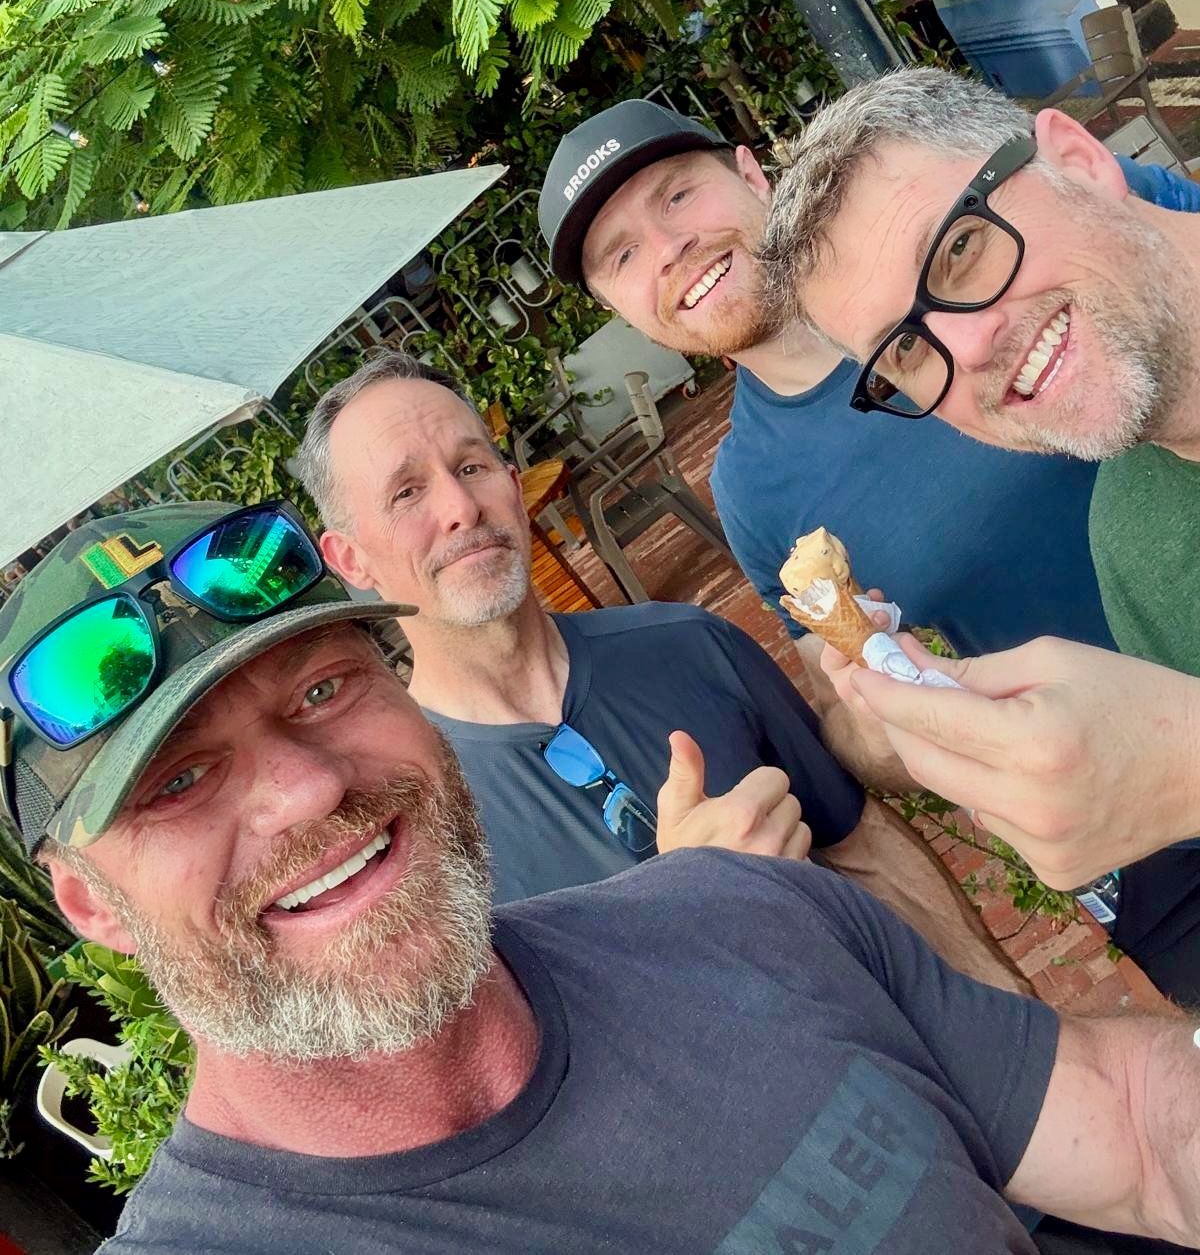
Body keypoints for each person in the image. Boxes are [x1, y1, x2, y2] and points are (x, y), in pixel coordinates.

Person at [11, 505, 1200, 1254]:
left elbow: (1147, 1139)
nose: (306, 792)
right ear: (90, 906)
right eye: (180, 782)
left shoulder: (741, 916)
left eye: (323, 692)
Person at [295, 350, 1022, 991]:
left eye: (472, 466)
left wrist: (1011, 1006)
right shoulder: (405, 833)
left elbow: (864, 847)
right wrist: (694, 907)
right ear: (350, 557)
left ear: (512, 485)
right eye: (407, 493)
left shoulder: (693, 644)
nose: (460, 506)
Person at [535, 97, 1198, 792]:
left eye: (676, 196)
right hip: (1116, 795)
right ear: (622, 312)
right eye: (625, 254)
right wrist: (889, 705)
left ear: (751, 174)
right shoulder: (752, 488)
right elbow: (849, 726)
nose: (669, 249)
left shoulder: (999, 207)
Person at [751, 67, 1200, 947]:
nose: (973, 339)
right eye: (907, 349)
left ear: (1076, 157)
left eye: (960, 247)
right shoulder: (1136, 539)